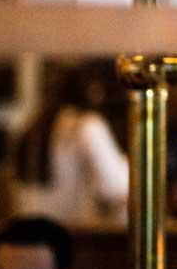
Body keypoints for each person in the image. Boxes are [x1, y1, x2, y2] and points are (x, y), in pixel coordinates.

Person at [16, 63, 129, 223]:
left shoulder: (33, 125)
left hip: (36, 233)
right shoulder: (87, 126)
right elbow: (115, 187)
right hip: (77, 235)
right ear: (93, 90)